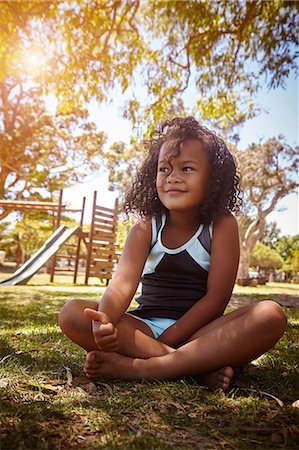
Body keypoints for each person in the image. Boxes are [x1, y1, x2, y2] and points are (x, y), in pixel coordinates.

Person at [59, 117, 287, 390]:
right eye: (164, 169)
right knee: (73, 313)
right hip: (144, 329)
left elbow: (217, 299)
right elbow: (121, 284)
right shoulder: (146, 227)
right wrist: (105, 319)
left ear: (212, 179)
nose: (172, 178)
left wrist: (172, 337)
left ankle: (144, 369)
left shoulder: (223, 225)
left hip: (201, 335)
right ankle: (193, 369)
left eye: (187, 168)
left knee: (271, 315)